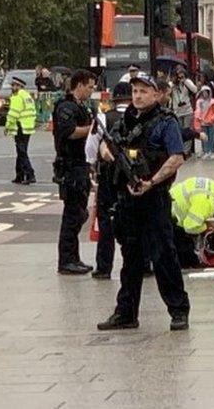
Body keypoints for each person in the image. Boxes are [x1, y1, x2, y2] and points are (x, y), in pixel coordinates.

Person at [96, 73, 190, 332]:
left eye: (143, 91)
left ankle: (178, 310)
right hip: (127, 199)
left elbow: (177, 157)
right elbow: (106, 147)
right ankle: (126, 313)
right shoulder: (124, 121)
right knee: (131, 258)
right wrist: (111, 156)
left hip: (154, 197)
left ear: (156, 94)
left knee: (163, 256)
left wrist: (151, 181)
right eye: (135, 91)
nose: (137, 96)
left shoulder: (166, 122)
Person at [51, 69, 97, 275]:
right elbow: (68, 132)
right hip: (70, 166)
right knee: (73, 214)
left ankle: (73, 258)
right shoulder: (66, 107)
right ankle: (66, 260)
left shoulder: (80, 107)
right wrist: (92, 128)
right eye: (89, 86)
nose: (91, 90)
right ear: (79, 85)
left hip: (80, 164)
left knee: (78, 212)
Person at [85, 81, 132, 280]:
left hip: (109, 175)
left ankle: (104, 267)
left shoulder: (104, 118)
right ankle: (141, 264)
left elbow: (90, 146)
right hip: (133, 176)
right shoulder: (139, 117)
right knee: (134, 220)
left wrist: (92, 166)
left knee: (106, 221)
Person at [169, 176, 214, 268]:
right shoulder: (207, 201)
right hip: (171, 219)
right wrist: (206, 228)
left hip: (171, 207)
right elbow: (189, 227)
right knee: (185, 259)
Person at [5, 77, 37, 184]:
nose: (13, 87)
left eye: (15, 85)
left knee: (22, 152)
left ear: (20, 86)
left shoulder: (17, 97)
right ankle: (19, 175)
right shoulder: (27, 96)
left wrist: (7, 126)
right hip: (27, 128)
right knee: (21, 152)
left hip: (20, 127)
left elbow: (13, 113)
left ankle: (30, 174)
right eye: (12, 85)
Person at [193, 86, 214, 159]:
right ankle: (206, 151)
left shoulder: (213, 101)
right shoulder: (199, 102)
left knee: (211, 137)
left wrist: (212, 119)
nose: (205, 94)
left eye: (206, 92)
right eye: (203, 93)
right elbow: (197, 111)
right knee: (204, 138)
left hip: (211, 123)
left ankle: (212, 151)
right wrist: (198, 119)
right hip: (203, 122)